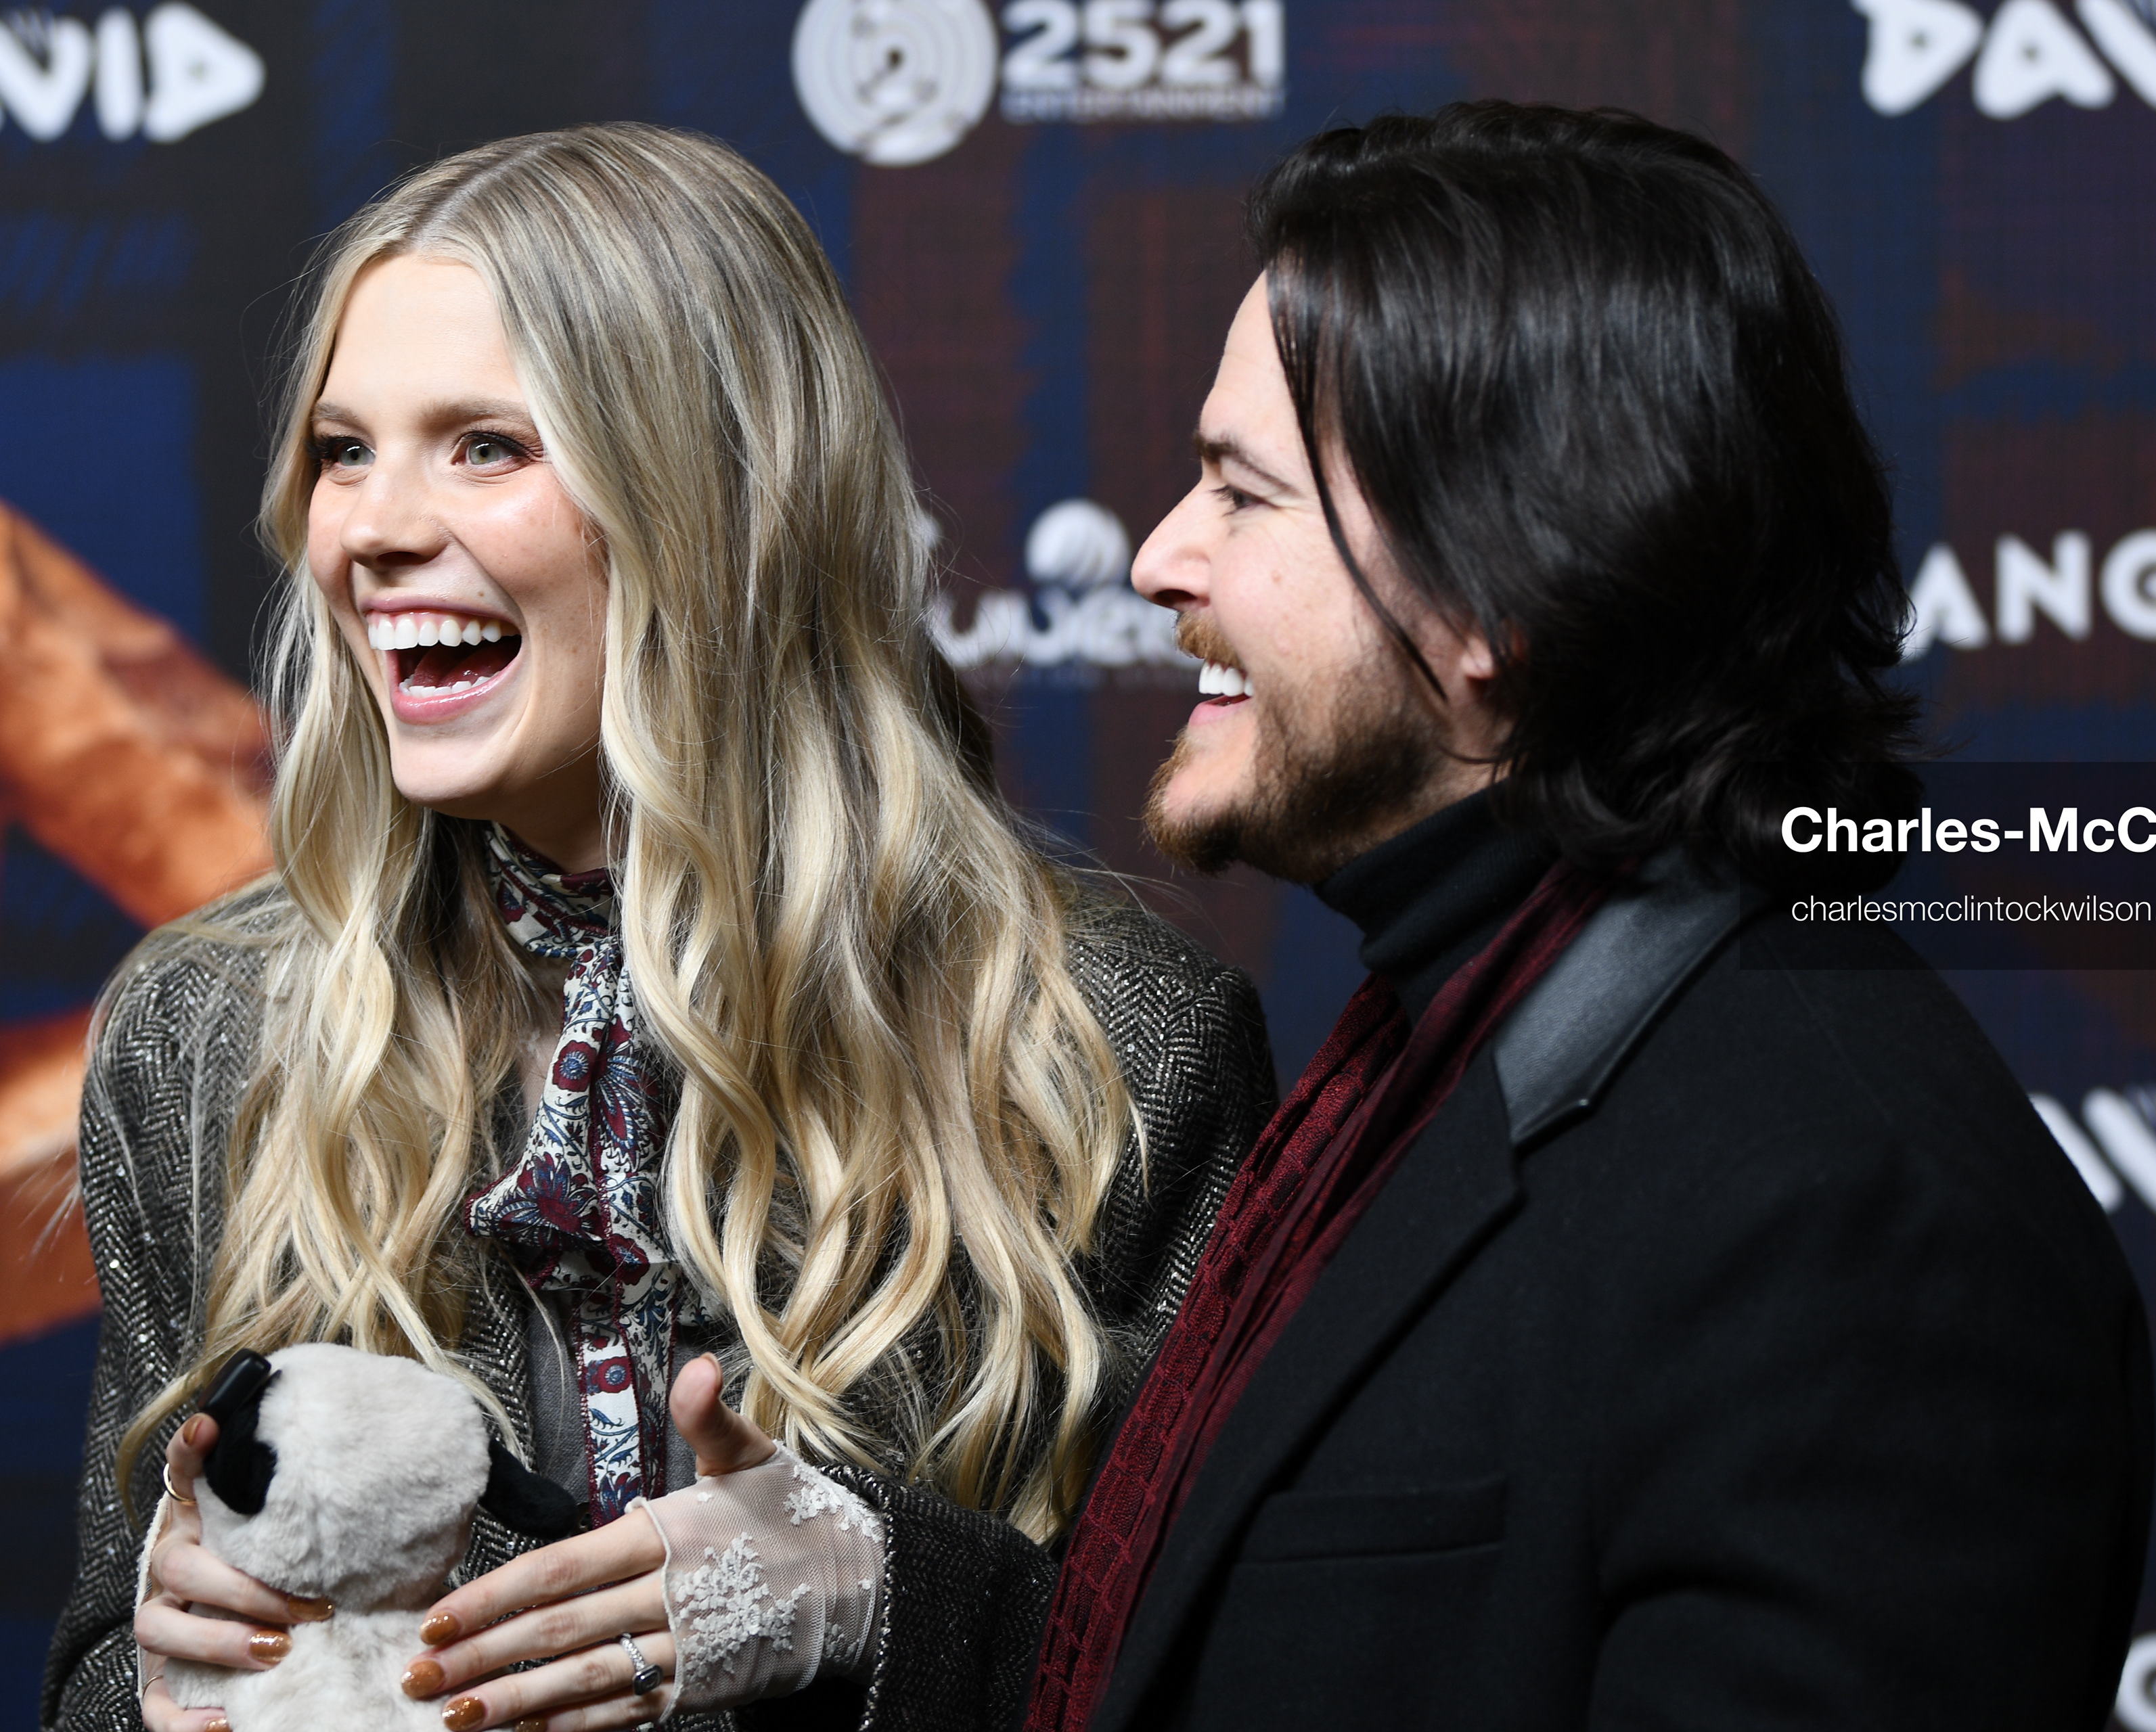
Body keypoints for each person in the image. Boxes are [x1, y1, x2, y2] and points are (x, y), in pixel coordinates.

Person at [43, 124, 1274, 1732]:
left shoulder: (1108, 1042)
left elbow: (1243, 1668)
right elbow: (93, 1662)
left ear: (719, 497)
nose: (370, 530)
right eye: (345, 450)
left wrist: (888, 1598)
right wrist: (159, 1674)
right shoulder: (212, 1029)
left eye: (486, 445)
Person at [1020, 103, 2155, 1731]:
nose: (1155, 556)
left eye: (1242, 493)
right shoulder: (1423, 1064)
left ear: (1502, 585)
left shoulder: (1847, 1214)